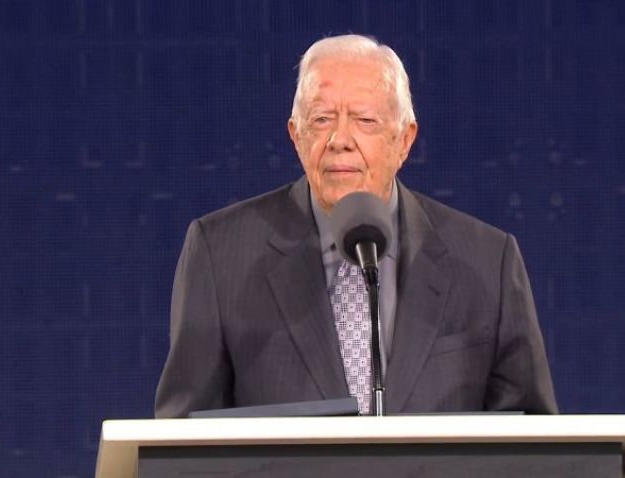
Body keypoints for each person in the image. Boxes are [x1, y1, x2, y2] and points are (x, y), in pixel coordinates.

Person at [155, 34, 557, 417]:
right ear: (296, 136)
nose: (340, 139)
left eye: (364, 120)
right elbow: (182, 441)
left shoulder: (488, 260)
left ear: (404, 140)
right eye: (322, 119)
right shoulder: (221, 253)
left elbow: (533, 441)